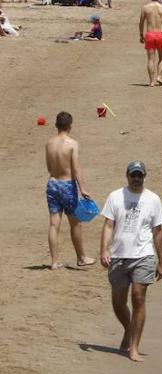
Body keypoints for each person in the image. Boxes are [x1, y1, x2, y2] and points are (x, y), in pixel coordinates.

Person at [99, 161, 162, 362]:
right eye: (133, 175)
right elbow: (108, 225)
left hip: (144, 255)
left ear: (144, 176)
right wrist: (104, 249)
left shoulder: (153, 199)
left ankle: (134, 347)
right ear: (127, 176)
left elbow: (158, 231)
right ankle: (129, 330)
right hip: (119, 256)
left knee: (138, 298)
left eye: (140, 175)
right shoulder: (115, 196)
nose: (136, 178)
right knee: (118, 303)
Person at [45, 111, 94, 269]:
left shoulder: (49, 143)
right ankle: (81, 258)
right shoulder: (73, 144)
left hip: (52, 184)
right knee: (75, 223)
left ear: (56, 125)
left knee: (54, 224)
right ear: (70, 126)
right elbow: (76, 168)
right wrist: (82, 189)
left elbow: (48, 167)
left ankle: (54, 262)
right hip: (67, 185)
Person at [138, 0, 162, 86]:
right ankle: (159, 76)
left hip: (150, 34)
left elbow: (141, 23)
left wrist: (141, 34)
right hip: (161, 34)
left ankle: (151, 81)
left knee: (150, 59)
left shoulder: (145, 8)